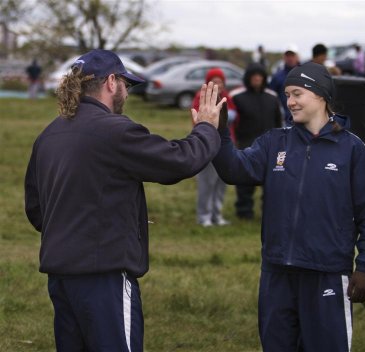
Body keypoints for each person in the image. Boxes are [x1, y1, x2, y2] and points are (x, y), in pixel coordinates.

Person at [24, 49, 226, 352]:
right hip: (104, 278)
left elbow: (36, 210)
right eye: (126, 85)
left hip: (61, 277)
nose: (126, 94)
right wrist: (207, 128)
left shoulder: (49, 134)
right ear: (110, 82)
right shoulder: (113, 130)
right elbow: (179, 161)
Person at [213, 62, 365, 351]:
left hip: (327, 273)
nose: (290, 102)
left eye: (297, 94)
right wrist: (219, 133)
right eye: (287, 95)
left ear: (320, 95)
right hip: (277, 273)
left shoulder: (352, 149)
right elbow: (234, 170)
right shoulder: (274, 142)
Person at [231, 62, 282, 219]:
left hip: (270, 147)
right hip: (245, 146)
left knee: (271, 183)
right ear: (248, 78)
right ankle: (244, 212)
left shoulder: (272, 98)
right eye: (254, 76)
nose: (257, 79)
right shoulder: (237, 97)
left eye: (260, 76)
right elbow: (233, 124)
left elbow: (278, 122)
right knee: (245, 182)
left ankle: (269, 213)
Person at [192, 68, 236, 226]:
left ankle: (217, 215)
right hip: (207, 146)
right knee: (207, 182)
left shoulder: (227, 97)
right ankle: (204, 216)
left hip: (224, 146)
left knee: (221, 182)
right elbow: (198, 119)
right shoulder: (201, 97)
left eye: (220, 81)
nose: (218, 84)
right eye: (214, 81)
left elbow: (234, 116)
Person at [269, 44, 300, 126]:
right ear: (284, 57)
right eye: (288, 55)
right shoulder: (277, 77)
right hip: (285, 120)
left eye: (292, 55)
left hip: (303, 119)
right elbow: (271, 97)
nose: (290, 58)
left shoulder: (305, 75)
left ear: (297, 57)